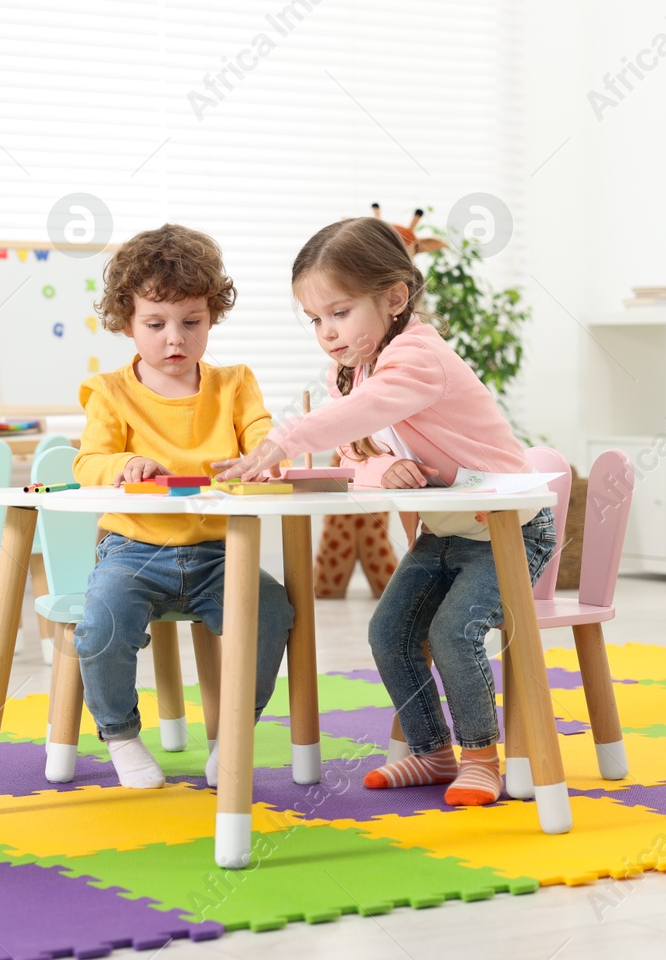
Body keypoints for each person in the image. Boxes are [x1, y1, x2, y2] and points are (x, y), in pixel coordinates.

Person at [215, 216, 553, 805]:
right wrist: (378, 469)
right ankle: (431, 752)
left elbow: (364, 412)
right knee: (388, 632)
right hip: (446, 530)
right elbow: (355, 449)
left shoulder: (419, 355)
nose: (326, 331)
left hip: (508, 531)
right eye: (315, 319)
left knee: (453, 632)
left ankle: (480, 758)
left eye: (339, 313)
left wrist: (285, 440)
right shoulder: (352, 371)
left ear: (395, 298)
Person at [74, 223, 294, 789]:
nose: (175, 338)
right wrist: (123, 467)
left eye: (191, 322)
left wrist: (270, 454)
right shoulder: (109, 392)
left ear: (212, 317)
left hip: (222, 553)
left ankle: (236, 734)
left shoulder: (235, 384)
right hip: (132, 551)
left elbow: (262, 434)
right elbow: (88, 463)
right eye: (156, 324)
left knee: (272, 610)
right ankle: (120, 735)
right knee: (100, 621)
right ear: (127, 322)